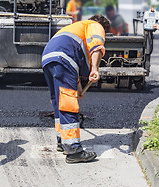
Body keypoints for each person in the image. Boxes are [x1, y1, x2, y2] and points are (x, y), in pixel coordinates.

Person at [42, 14, 110, 163]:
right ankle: (73, 150)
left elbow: (72, 61)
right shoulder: (95, 26)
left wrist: (78, 87)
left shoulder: (75, 28)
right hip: (64, 58)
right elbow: (97, 46)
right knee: (68, 104)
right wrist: (95, 69)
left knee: (59, 101)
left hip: (48, 58)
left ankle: (62, 141)